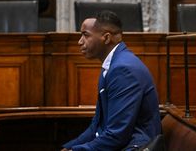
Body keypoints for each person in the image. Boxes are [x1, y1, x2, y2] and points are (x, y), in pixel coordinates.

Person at [61, 10, 161, 151]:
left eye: (85, 35)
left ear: (106, 38)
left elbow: (117, 135)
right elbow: (96, 126)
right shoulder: (112, 65)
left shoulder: (123, 70)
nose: (79, 42)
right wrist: (69, 147)